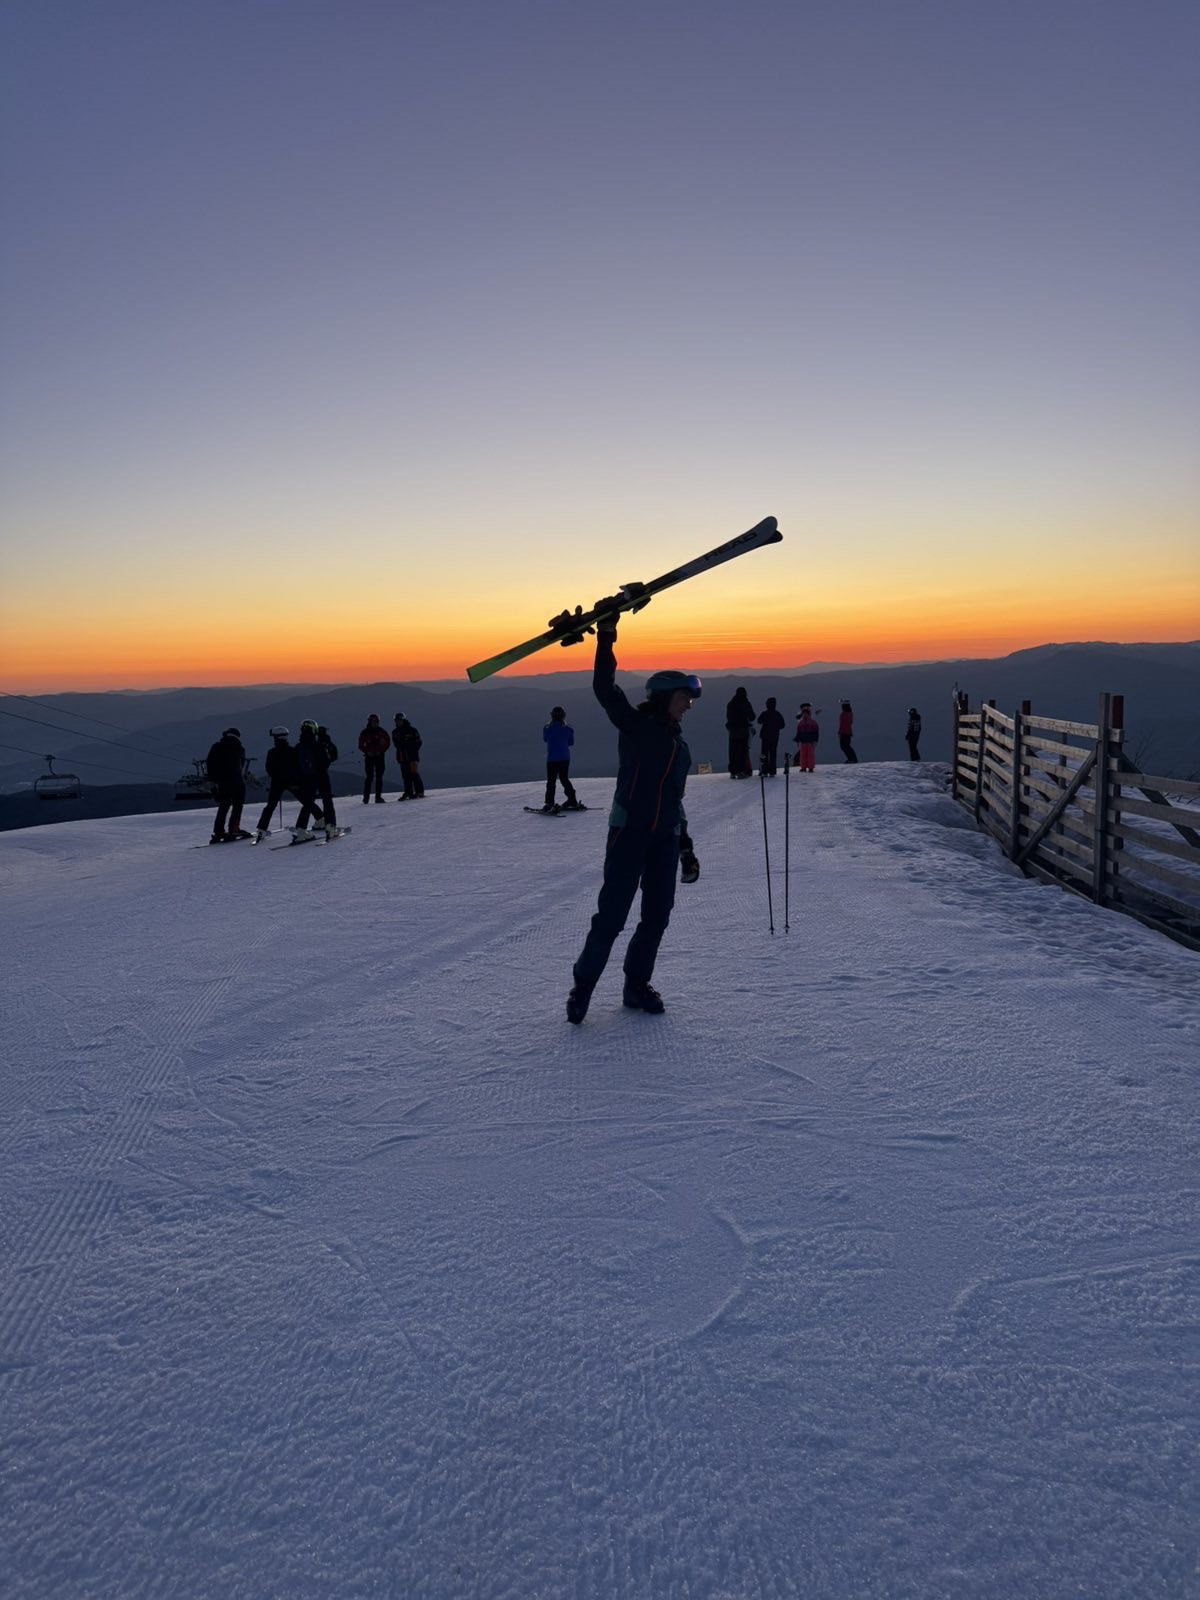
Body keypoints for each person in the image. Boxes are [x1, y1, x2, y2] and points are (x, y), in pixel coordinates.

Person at [567, 605, 700, 1024]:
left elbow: (675, 798)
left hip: (664, 839)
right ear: (665, 697)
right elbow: (605, 688)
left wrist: (685, 845)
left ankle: (636, 985)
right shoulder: (637, 726)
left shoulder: (679, 745)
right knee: (611, 917)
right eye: (684, 697)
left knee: (656, 917)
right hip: (629, 835)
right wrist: (607, 634)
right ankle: (583, 986)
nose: (689, 705)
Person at [253, 726, 324, 841]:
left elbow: (269, 769)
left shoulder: (272, 752)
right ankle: (320, 819)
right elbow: (298, 768)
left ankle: (261, 829)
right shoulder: (293, 751)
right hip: (293, 783)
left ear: (276, 738)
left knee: (270, 806)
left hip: (277, 783)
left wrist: (277, 778)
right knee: (306, 801)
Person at [294, 720, 339, 840]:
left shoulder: (298, 747)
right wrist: (326, 739)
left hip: (306, 778)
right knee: (327, 801)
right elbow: (333, 756)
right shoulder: (318, 745)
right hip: (321, 776)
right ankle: (330, 827)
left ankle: (301, 830)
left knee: (308, 803)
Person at [205, 727, 249, 842]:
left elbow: (210, 764)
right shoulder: (240, 748)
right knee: (237, 806)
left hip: (222, 782)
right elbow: (241, 765)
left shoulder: (216, 747)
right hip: (237, 781)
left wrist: (213, 783)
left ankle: (218, 831)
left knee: (224, 806)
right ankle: (234, 828)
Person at [542, 705, 583, 811]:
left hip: (552, 758)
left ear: (552, 716)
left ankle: (549, 803)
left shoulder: (547, 728)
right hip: (565, 757)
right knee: (564, 779)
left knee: (551, 781)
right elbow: (571, 743)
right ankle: (572, 799)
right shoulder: (569, 729)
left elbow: (545, 739)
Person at [358, 713, 391, 803]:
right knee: (369, 777)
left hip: (380, 756)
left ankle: (378, 797)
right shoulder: (365, 732)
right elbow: (360, 745)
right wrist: (367, 751)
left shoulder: (382, 732)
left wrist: (381, 751)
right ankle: (366, 798)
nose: (375, 723)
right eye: (373, 722)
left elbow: (388, 742)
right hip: (369, 757)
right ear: (370, 722)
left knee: (379, 777)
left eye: (377, 722)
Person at [725, 686, 756, 778]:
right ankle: (741, 771)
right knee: (742, 751)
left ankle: (733, 771)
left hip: (732, 731)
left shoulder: (730, 704)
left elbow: (728, 717)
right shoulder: (745, 703)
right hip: (743, 731)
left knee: (733, 751)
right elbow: (752, 717)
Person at [392, 713, 424, 799]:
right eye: (396, 720)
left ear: (403, 720)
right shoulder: (395, 732)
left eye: (399, 720)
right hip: (402, 756)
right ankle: (408, 792)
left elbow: (419, 742)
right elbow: (396, 744)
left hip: (412, 756)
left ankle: (419, 792)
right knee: (405, 775)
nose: (398, 722)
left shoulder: (412, 730)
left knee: (414, 774)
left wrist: (412, 749)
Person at [757, 697, 786, 777]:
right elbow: (783, 725)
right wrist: (776, 727)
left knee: (764, 753)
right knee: (773, 754)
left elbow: (759, 721)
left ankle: (764, 770)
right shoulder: (777, 714)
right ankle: (772, 771)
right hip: (774, 737)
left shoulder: (765, 713)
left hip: (765, 736)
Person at [794, 703, 820, 773]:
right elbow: (799, 732)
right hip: (807, 741)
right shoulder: (811, 722)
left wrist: (797, 739)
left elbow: (815, 732)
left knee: (807, 755)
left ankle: (807, 767)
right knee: (806, 755)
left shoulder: (804, 722)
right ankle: (806, 767)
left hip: (807, 741)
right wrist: (797, 739)